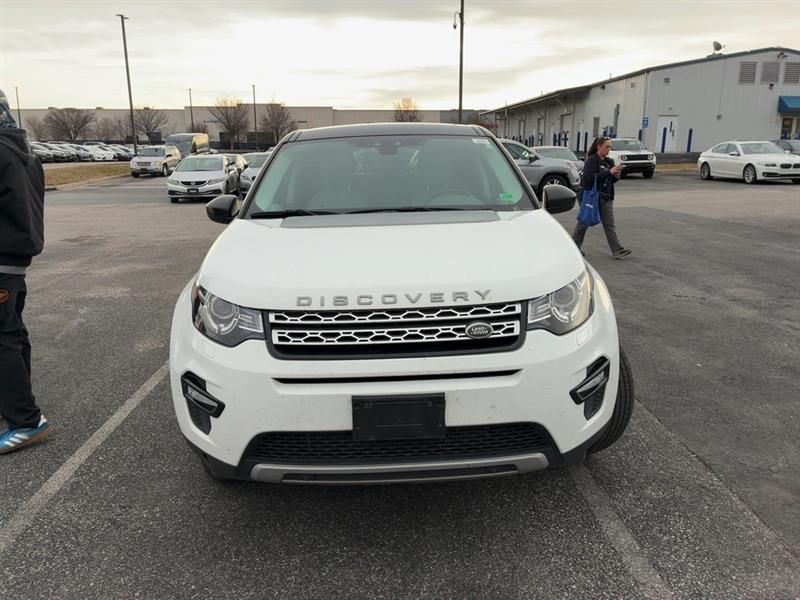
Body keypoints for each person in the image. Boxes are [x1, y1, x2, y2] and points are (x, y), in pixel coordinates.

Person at [0, 88, 50, 454]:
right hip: (16, 260)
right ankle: (16, 404)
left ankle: (25, 420)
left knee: (3, 341)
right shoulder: (25, 151)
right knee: (12, 333)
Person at [571, 136, 632, 259]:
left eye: (610, 147)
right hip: (591, 197)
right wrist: (609, 172)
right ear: (599, 146)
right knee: (583, 223)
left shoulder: (609, 162)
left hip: (606, 197)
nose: (608, 149)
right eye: (606, 146)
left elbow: (610, 180)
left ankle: (617, 250)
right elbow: (590, 178)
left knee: (609, 224)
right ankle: (573, 248)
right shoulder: (592, 161)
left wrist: (616, 175)